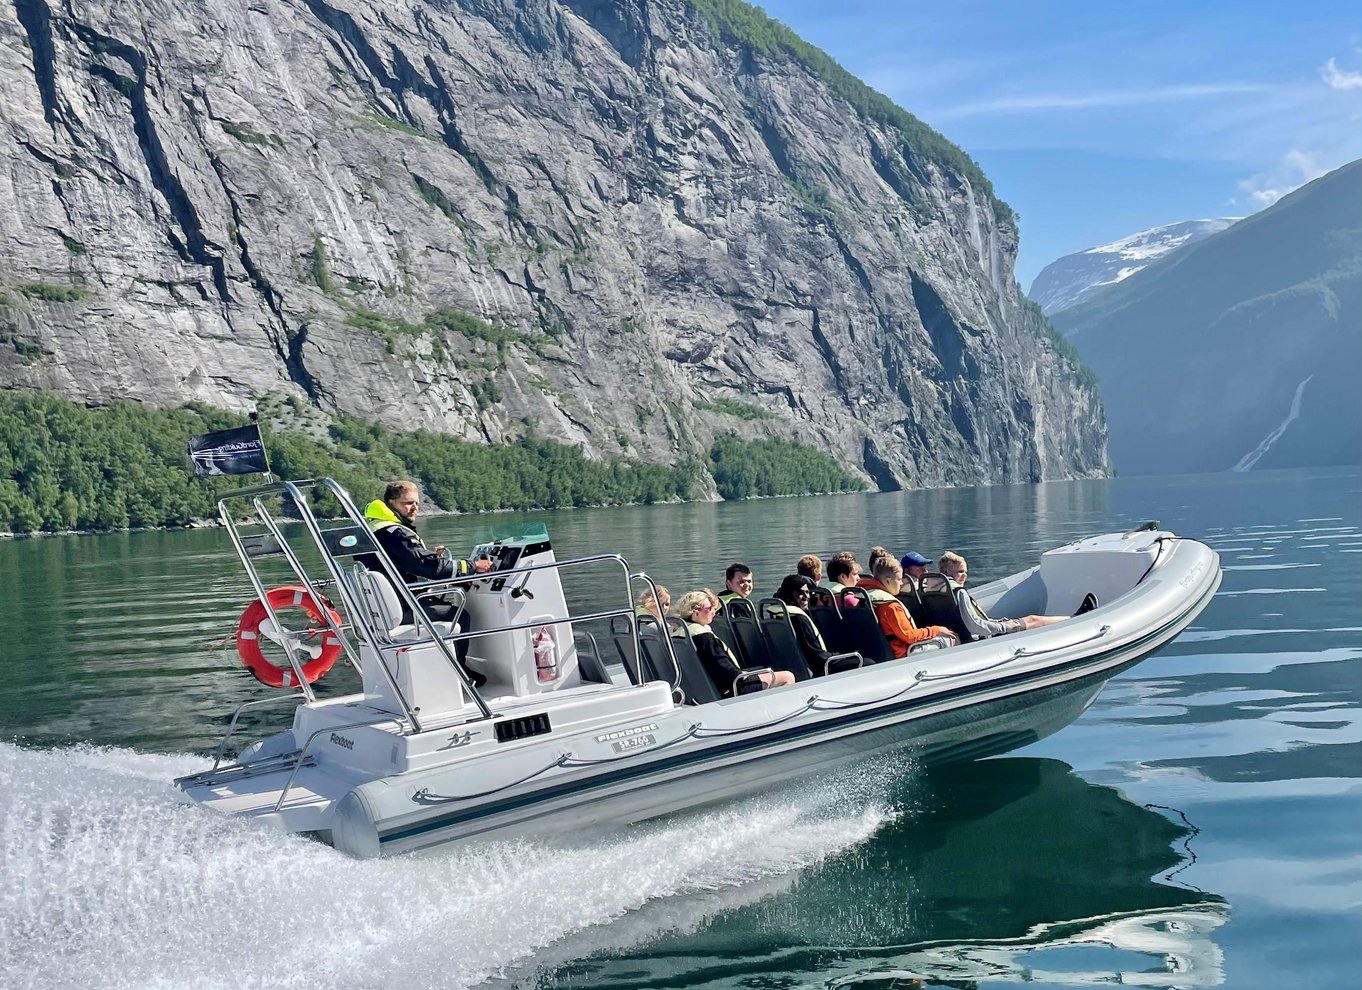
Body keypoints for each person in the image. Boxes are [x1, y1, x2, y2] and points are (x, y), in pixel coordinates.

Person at [363, 481, 493, 668]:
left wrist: (431, 558)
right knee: (461, 616)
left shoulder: (376, 528)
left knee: (441, 603)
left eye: (416, 503)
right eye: (407, 503)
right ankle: (461, 673)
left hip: (385, 608)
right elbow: (431, 568)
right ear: (391, 503)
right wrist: (473, 566)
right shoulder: (395, 533)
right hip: (402, 609)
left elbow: (409, 564)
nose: (414, 507)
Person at [937, 551, 1091, 637]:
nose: (964, 576)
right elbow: (975, 626)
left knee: (1028, 620)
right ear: (946, 571)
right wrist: (1005, 627)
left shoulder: (938, 590)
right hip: (981, 637)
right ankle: (1075, 618)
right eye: (960, 572)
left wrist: (996, 622)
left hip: (972, 631)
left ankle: (1073, 617)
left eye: (965, 572)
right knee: (1033, 619)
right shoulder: (959, 592)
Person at [675, 589, 795, 696]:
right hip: (732, 688)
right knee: (787, 677)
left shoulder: (681, 634)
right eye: (709, 608)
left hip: (706, 689)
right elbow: (731, 675)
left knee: (761, 669)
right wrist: (745, 674)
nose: (714, 611)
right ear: (696, 612)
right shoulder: (704, 638)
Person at [860, 556, 957, 657]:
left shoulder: (867, 596)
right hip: (903, 652)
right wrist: (937, 630)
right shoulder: (890, 606)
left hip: (882, 650)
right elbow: (909, 636)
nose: (901, 583)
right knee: (952, 638)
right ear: (888, 580)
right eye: (899, 579)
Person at [773, 574, 838, 673]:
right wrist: (839, 655)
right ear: (789, 594)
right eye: (800, 593)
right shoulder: (799, 618)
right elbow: (818, 656)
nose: (806, 597)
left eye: (807, 592)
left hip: (795, 668)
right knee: (867, 662)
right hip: (820, 668)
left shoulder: (777, 616)